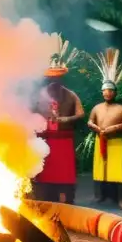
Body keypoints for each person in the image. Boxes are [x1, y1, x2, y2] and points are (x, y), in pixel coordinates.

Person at [33, 35, 84, 203]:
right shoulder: (40, 95)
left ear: (62, 78)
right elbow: (31, 114)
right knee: (46, 174)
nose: (54, 81)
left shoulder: (70, 94)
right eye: (52, 78)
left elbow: (81, 113)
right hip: (46, 140)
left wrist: (64, 119)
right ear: (48, 78)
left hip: (64, 140)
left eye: (57, 78)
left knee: (64, 174)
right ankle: (45, 199)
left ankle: (66, 200)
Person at [85, 48, 122, 207]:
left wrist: (113, 128)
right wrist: (96, 128)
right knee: (100, 169)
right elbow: (89, 121)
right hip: (101, 139)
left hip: (116, 142)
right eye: (105, 90)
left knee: (119, 171)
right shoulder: (97, 107)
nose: (107, 93)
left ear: (115, 92)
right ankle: (100, 196)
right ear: (102, 92)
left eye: (110, 91)